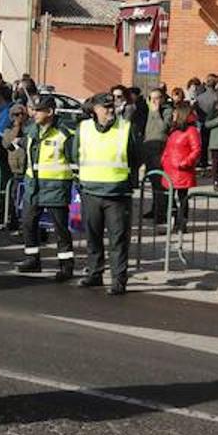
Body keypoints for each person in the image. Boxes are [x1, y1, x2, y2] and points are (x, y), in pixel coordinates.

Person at [76, 92, 137, 293]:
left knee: (118, 240)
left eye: (112, 106)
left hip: (117, 194)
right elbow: (74, 153)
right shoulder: (84, 129)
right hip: (90, 192)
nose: (110, 110)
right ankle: (94, 274)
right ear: (94, 110)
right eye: (105, 107)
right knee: (92, 237)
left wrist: (130, 183)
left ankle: (118, 280)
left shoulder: (126, 128)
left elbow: (135, 156)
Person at [15, 94, 77, 278]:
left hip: (56, 188)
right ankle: (32, 259)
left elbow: (74, 163)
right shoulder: (31, 131)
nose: (33, 113)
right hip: (33, 188)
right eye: (33, 109)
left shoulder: (64, 134)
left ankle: (66, 265)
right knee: (28, 224)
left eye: (38, 110)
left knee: (60, 229)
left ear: (50, 112)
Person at [160, 102, 201, 234]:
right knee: (170, 199)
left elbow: (196, 150)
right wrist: (163, 159)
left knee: (182, 198)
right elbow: (168, 147)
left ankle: (181, 224)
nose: (173, 114)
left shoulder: (191, 131)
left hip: (181, 171)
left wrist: (184, 163)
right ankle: (174, 222)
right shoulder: (175, 130)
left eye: (175, 112)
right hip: (169, 170)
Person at [141, 88, 174, 222]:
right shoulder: (148, 111)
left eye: (157, 98)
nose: (154, 101)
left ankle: (162, 213)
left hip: (159, 149)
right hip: (148, 148)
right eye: (151, 98)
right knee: (153, 181)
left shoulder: (167, 111)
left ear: (162, 99)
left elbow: (162, 128)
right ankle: (155, 208)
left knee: (160, 182)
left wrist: (155, 112)